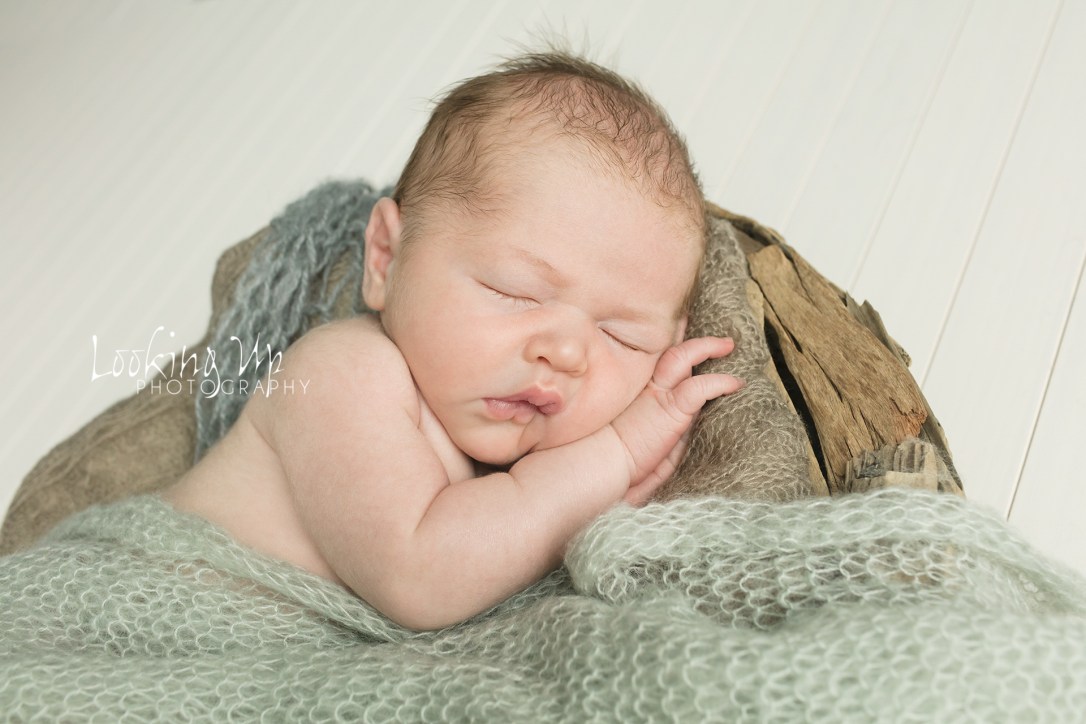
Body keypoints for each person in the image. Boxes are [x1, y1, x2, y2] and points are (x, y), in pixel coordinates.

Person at [163, 50, 744, 631]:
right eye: (513, 291)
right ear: (386, 259)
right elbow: (418, 575)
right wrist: (611, 456)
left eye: (622, 336)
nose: (566, 354)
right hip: (150, 606)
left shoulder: (491, 445)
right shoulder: (343, 373)